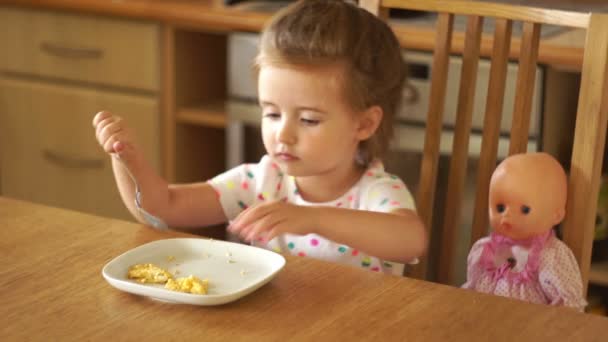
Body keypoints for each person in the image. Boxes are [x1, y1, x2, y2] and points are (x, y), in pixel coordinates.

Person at [92, 0, 426, 276]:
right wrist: (127, 159)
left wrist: (312, 218)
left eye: (309, 119)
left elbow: (410, 240)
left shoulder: (375, 191)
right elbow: (162, 208)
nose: (283, 134)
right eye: (272, 113)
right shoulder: (260, 183)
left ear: (364, 124)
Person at [462, 152, 587, 311]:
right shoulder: (484, 249)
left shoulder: (550, 256)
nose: (506, 214)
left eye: (525, 209)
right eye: (500, 208)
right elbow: (471, 291)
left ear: (556, 215)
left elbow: (568, 308)